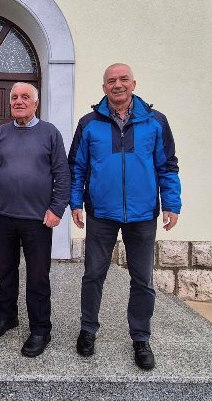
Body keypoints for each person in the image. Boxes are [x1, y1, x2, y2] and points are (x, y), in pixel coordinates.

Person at [69, 63, 181, 370]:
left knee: (142, 279)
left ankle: (141, 338)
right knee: (93, 274)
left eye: (123, 79)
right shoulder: (89, 123)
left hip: (143, 214)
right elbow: (76, 167)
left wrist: (171, 204)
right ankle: (88, 329)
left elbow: (167, 166)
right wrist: (75, 202)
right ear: (104, 87)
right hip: (101, 213)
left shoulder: (156, 121)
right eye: (111, 81)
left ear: (133, 83)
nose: (117, 85)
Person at [0, 83, 70, 357]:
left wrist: (57, 209)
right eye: (14, 98)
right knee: (6, 271)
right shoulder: (1, 133)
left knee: (37, 276)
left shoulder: (50, 133)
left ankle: (41, 328)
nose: (19, 101)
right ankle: (7, 316)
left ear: (36, 103)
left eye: (25, 97)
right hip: (4, 216)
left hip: (38, 219)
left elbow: (63, 173)